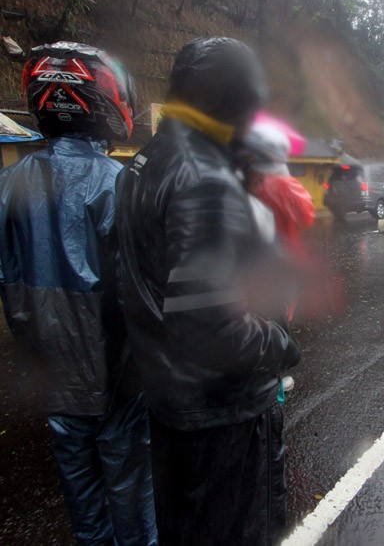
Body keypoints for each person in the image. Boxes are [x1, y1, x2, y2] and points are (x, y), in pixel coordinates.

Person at [117, 37, 300, 545]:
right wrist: (281, 344)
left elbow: (142, 280)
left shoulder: (142, 163)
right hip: (225, 414)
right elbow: (211, 329)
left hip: (171, 402)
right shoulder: (204, 177)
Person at [0, 42, 157, 545]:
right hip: (118, 382)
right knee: (133, 503)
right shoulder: (120, 184)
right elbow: (145, 290)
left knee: (84, 507)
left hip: (54, 379)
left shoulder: (9, 185)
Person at [234, 111, 317, 393]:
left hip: (246, 270)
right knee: (276, 324)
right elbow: (305, 213)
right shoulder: (281, 183)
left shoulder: (236, 179)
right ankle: (274, 385)